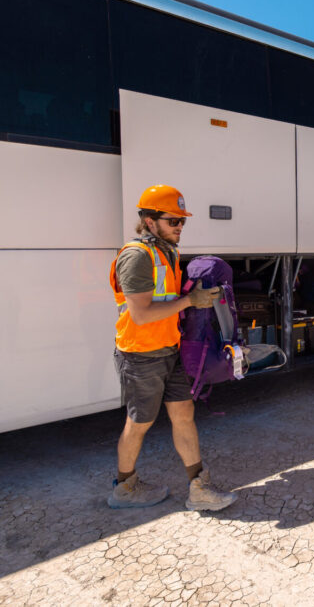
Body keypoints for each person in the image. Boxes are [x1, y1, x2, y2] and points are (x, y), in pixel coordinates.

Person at [107, 184, 239, 511]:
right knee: (138, 423)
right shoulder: (136, 256)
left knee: (184, 414)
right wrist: (189, 301)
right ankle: (124, 488)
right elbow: (141, 313)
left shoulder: (167, 252)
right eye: (172, 221)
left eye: (182, 221)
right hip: (140, 355)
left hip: (169, 350)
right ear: (149, 221)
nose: (180, 227)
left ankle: (199, 489)